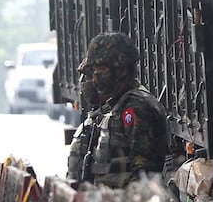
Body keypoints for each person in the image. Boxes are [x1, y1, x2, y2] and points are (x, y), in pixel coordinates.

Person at [68, 32, 168, 188]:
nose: (95, 76)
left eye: (100, 68)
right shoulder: (116, 105)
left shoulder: (136, 107)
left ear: (122, 71)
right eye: (93, 69)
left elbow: (143, 174)